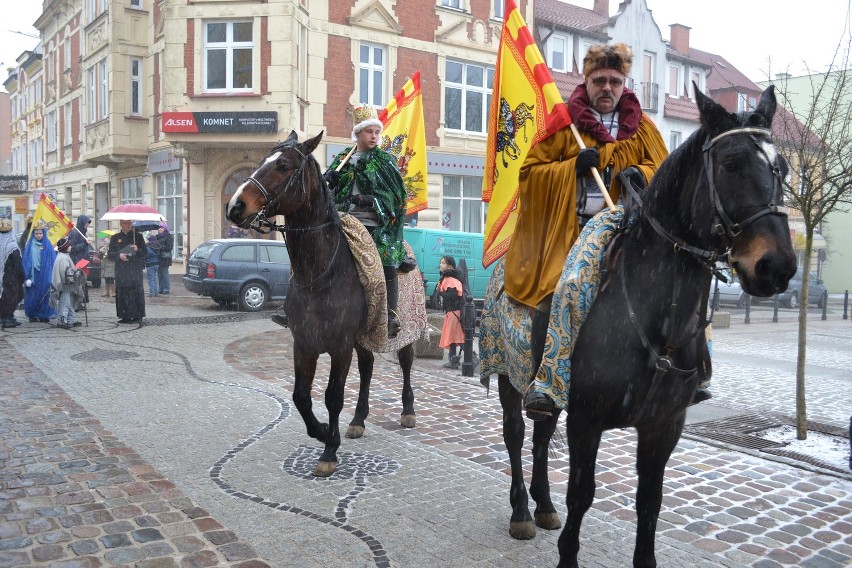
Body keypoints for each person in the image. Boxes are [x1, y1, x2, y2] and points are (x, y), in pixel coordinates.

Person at [502, 43, 670, 417]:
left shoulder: (643, 128)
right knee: (556, 295)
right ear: (587, 80)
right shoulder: (564, 124)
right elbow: (528, 175)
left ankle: (684, 376)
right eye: (599, 81)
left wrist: (640, 175)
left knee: (675, 287)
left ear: (624, 83)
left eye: (615, 81)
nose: (607, 88)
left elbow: (663, 172)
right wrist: (571, 168)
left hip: (627, 231)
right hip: (571, 232)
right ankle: (544, 382)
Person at [324, 104, 408, 338]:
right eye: (369, 132)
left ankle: (391, 315)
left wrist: (370, 200)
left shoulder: (383, 160)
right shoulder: (343, 158)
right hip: (342, 221)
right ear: (358, 133)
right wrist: (325, 180)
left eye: (377, 132)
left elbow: (398, 196)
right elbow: (326, 193)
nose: (374, 136)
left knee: (385, 259)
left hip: (374, 225)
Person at [108, 219, 147, 324]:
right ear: (121, 224)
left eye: (130, 223)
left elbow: (145, 252)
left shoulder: (137, 237)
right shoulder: (115, 238)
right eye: (126, 223)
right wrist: (118, 255)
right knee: (123, 293)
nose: (129, 225)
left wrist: (137, 250)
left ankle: (137, 315)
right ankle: (125, 315)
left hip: (134, 271)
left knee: (135, 293)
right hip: (122, 271)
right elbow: (110, 254)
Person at [22, 222, 57, 323]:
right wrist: (26, 276)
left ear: (43, 234)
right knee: (33, 294)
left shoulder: (48, 245)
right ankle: (32, 314)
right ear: (34, 234)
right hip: (34, 274)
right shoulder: (30, 245)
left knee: (45, 294)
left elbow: (53, 259)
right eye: (36, 233)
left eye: (40, 233)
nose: (38, 235)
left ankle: (44, 314)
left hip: (45, 273)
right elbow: (26, 260)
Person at [437, 255, 465, 370]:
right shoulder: (450, 278)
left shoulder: (450, 280)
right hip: (453, 313)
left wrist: (440, 292)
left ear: (450, 266)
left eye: (443, 263)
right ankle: (453, 360)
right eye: (440, 262)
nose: (440, 265)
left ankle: (467, 358)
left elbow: (452, 297)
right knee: (454, 337)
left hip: (454, 312)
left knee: (455, 337)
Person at [50, 237, 82, 329]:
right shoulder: (63, 258)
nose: (71, 247)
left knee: (71, 302)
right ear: (65, 247)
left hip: (68, 285)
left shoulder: (64, 256)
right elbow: (66, 273)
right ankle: (62, 321)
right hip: (65, 285)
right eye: (69, 245)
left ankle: (72, 319)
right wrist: (78, 273)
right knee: (65, 303)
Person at [0, 217, 26, 329]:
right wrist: (23, 276)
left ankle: (6, 316)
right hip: (11, 278)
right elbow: (17, 263)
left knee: (3, 297)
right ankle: (7, 318)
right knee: (12, 297)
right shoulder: (12, 246)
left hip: (2, 277)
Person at [68, 215, 93, 309]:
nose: (87, 226)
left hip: (83, 262)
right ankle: (76, 303)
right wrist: (84, 244)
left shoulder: (83, 233)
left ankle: (80, 301)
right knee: (77, 284)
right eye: (86, 223)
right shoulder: (75, 233)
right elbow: (72, 248)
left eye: (88, 224)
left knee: (82, 283)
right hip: (77, 262)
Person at [154, 222, 173, 295]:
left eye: (161, 228)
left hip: (165, 257)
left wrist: (160, 246)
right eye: (159, 228)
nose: (160, 229)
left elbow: (169, 247)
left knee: (164, 273)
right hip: (158, 256)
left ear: (165, 228)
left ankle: (166, 289)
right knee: (159, 273)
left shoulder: (169, 236)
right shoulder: (156, 236)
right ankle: (161, 288)